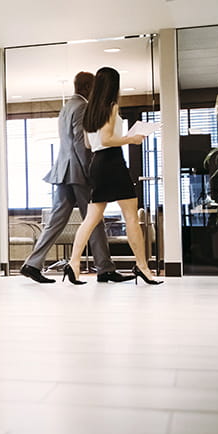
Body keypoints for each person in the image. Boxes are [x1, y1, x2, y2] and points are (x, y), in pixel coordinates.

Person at [20, 71, 134, 284]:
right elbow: (81, 145)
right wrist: (91, 172)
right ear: (88, 88)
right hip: (78, 173)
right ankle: (105, 269)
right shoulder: (82, 107)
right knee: (94, 220)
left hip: (63, 171)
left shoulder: (66, 107)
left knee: (56, 221)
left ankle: (32, 264)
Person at [64, 66, 162, 285]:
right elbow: (108, 140)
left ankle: (73, 264)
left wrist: (121, 137)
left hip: (97, 164)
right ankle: (143, 267)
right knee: (131, 218)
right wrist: (131, 139)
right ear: (113, 85)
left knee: (90, 219)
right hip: (113, 163)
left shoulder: (89, 110)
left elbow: (90, 143)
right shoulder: (111, 106)